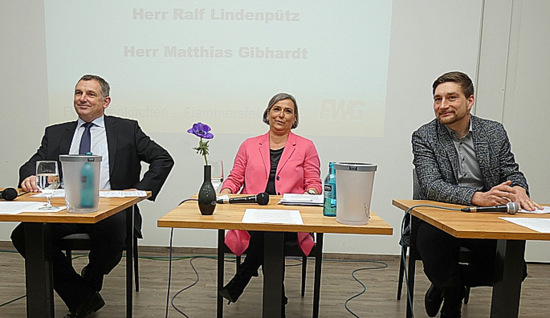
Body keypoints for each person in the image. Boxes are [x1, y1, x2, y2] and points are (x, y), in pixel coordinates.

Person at [11, 74, 174, 318]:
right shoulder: (56, 133)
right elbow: (32, 164)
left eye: (90, 94)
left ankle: (92, 276)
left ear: (105, 101)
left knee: (114, 231)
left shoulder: (127, 129)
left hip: (111, 208)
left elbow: (163, 158)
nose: (82, 99)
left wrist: (140, 189)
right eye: (78, 93)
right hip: (66, 208)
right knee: (24, 234)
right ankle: (83, 296)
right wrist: (28, 177)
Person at [412, 71, 541, 318]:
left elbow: (511, 171)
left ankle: (451, 288)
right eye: (437, 99)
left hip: (487, 216)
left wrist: (519, 188)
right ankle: (450, 292)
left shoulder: (493, 131)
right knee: (433, 250)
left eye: (451, 98)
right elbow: (430, 185)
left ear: (470, 101)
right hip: (442, 215)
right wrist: (476, 196)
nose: (443, 105)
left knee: (513, 270)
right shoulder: (424, 136)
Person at [218, 93, 322, 316]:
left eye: (288, 111)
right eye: (276, 109)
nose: (281, 115)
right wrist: (225, 191)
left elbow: (314, 182)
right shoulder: (249, 145)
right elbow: (235, 177)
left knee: (268, 235)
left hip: (290, 217)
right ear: (267, 114)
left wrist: (310, 194)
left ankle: (241, 278)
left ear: (294, 119)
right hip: (252, 216)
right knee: (265, 235)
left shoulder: (306, 146)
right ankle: (278, 300)